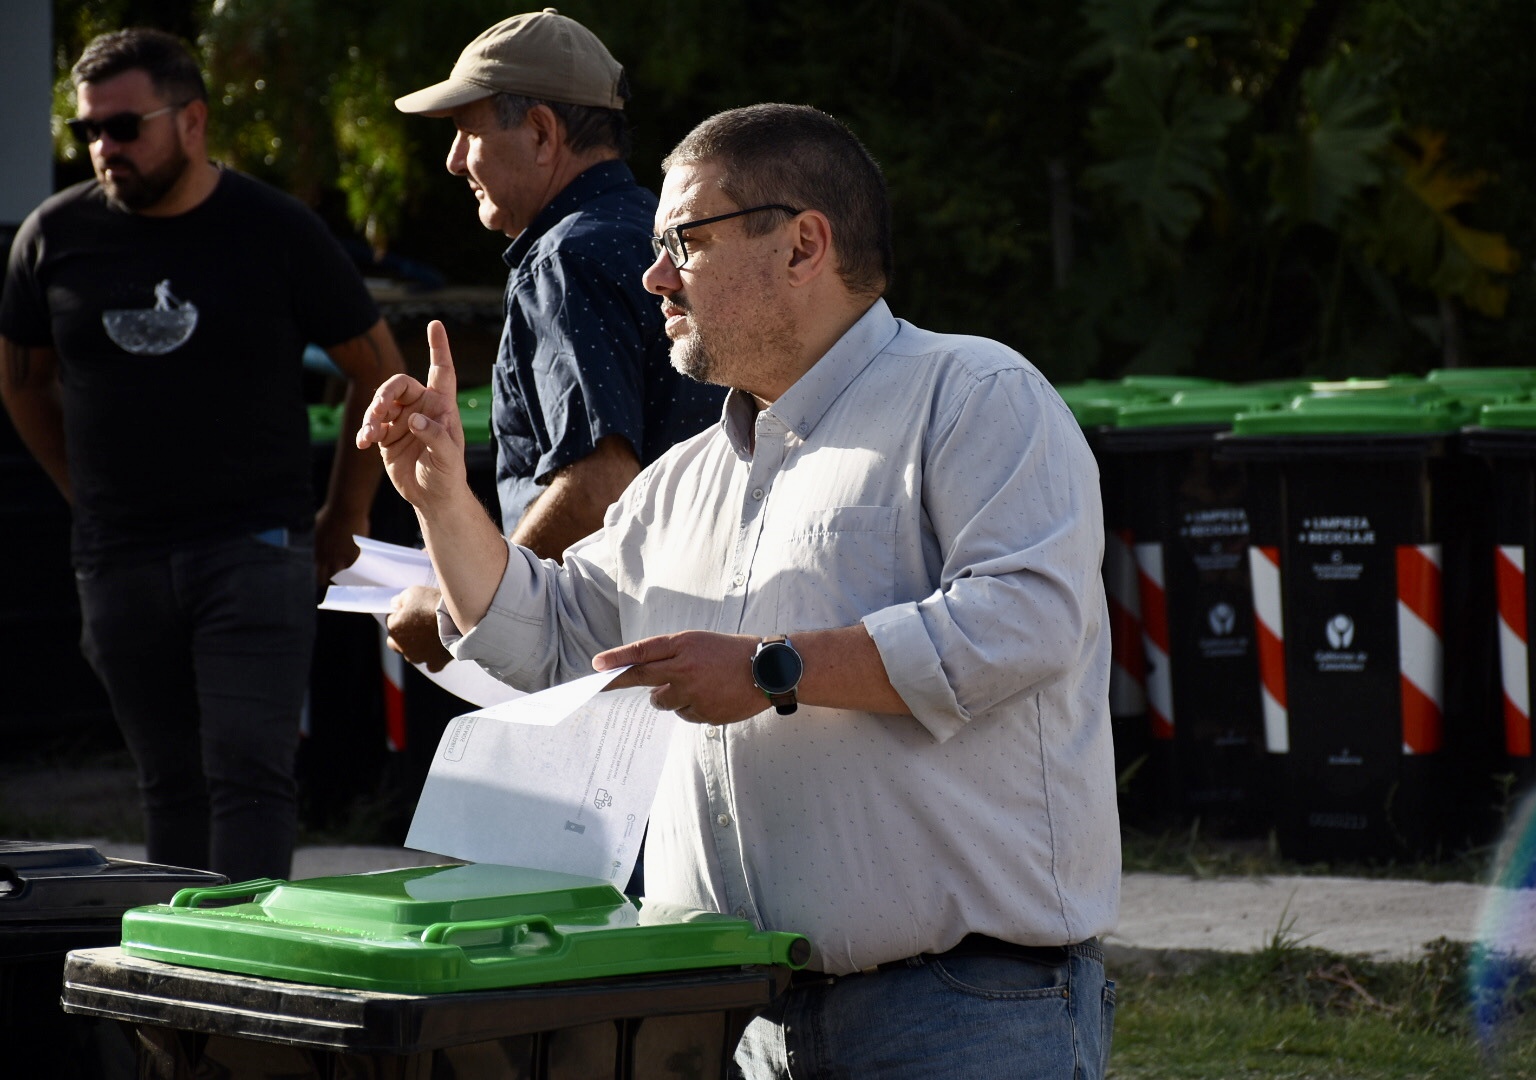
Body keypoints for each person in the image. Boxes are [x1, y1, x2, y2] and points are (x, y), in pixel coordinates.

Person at [358, 103, 1119, 1078]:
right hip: (730, 1023)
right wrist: (440, 500)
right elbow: (547, 640)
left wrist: (772, 671)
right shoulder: (684, 480)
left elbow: (1026, 620)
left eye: (682, 240)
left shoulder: (973, 394)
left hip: (959, 1013)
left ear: (804, 243)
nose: (653, 275)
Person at [0, 28, 405, 884]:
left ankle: (253, 989)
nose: (104, 149)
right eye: (88, 133)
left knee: (249, 776)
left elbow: (383, 373)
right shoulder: (52, 236)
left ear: (192, 121)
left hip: (253, 547)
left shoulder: (276, 231)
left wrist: (346, 512)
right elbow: (22, 382)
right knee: (169, 783)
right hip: (118, 556)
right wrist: (82, 490)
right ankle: (181, 980)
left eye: (124, 127)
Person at [384, 9, 723, 671]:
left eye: (465, 131)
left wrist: (459, 613)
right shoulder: (664, 236)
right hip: (709, 632)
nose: (453, 161)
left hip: (610, 658)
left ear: (541, 132)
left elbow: (601, 489)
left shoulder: (564, 260)